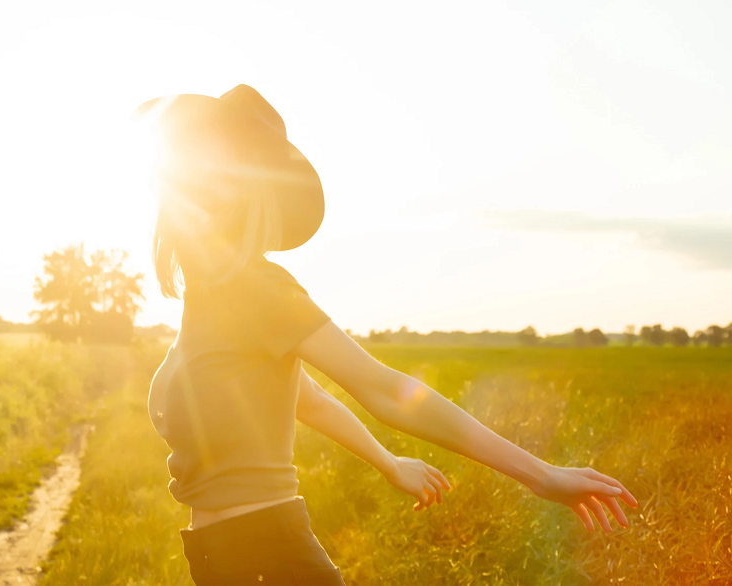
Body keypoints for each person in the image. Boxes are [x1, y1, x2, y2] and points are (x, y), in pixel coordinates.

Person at [133, 85, 637, 586]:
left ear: (241, 191)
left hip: (267, 555)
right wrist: (388, 461)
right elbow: (306, 400)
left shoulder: (257, 290)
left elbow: (387, 390)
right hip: (221, 559)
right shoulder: (210, 302)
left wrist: (542, 475)